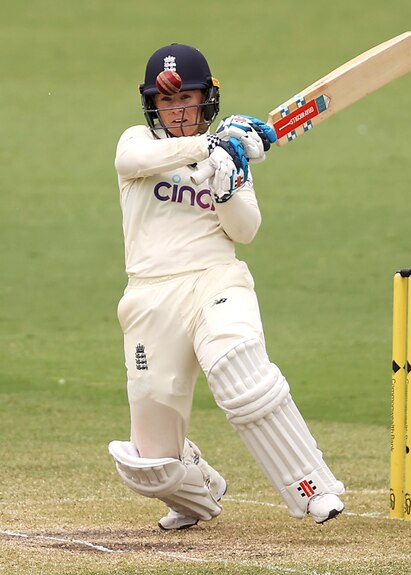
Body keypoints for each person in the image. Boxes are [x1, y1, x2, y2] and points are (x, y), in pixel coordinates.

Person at [108, 43, 345, 530]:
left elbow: (245, 231)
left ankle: (313, 488)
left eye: (186, 99)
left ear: (206, 99)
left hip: (215, 280)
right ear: (153, 105)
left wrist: (228, 181)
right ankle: (199, 490)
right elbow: (132, 160)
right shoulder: (138, 143)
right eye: (167, 101)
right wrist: (212, 147)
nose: (177, 111)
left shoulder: (228, 158)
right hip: (149, 298)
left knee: (240, 371)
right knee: (146, 464)